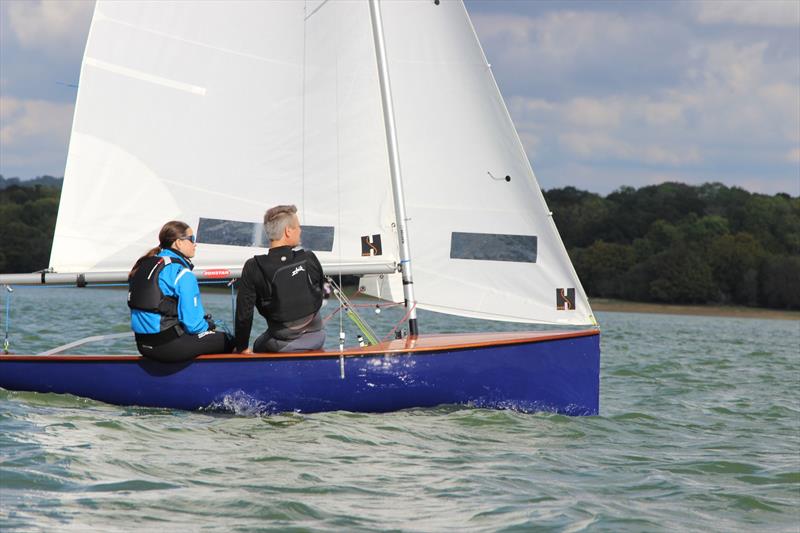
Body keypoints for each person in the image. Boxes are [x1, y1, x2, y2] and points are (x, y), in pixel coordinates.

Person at [128, 221, 233, 362]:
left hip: (143, 345)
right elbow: (194, 325)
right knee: (229, 340)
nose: (195, 244)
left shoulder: (143, 266)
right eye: (192, 239)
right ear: (178, 243)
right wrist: (209, 326)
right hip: (168, 347)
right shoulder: (182, 273)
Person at [234, 205, 326, 353]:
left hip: (282, 343)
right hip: (317, 338)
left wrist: (242, 348)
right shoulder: (309, 258)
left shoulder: (253, 267)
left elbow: (244, 314)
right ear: (288, 231)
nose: (300, 230)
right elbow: (319, 294)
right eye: (298, 227)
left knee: (258, 344)